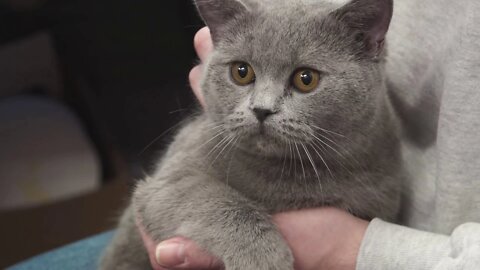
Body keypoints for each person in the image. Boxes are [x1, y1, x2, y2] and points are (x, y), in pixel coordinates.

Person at [137, 0, 480, 268]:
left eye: (305, 79)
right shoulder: (220, 152)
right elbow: (156, 196)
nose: (263, 104)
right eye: (243, 73)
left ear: (367, 43)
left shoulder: (377, 173)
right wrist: (250, 239)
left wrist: (348, 250)